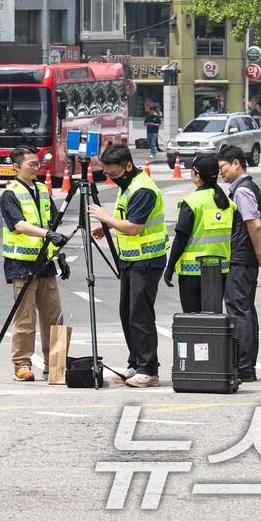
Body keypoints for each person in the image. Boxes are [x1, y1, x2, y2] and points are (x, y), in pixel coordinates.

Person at [90, 144, 168, 388]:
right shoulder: (128, 187)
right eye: (107, 174)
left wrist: (105, 217)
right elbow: (126, 218)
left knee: (140, 314)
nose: (110, 178)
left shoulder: (143, 189)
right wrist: (108, 227)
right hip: (132, 260)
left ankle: (149, 369)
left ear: (128, 166)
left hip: (147, 259)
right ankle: (135, 363)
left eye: (113, 174)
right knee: (127, 313)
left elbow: (134, 226)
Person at [0, 147, 68, 382]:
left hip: (46, 264)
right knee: (25, 318)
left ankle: (56, 366)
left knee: (54, 316)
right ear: (17, 167)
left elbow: (54, 224)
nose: (36, 167)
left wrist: (60, 256)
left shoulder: (43, 190)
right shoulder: (10, 194)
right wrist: (47, 234)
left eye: (38, 163)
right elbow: (18, 224)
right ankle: (22, 364)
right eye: (31, 164)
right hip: (22, 264)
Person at [217, 145, 261, 383]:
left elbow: (255, 225)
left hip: (240, 258)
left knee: (239, 311)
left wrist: (260, 253)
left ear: (236, 164)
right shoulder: (251, 187)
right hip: (246, 258)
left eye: (223, 167)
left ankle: (244, 366)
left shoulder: (242, 191)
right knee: (247, 311)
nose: (221, 173)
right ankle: (247, 365)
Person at [165, 153, 235, 314]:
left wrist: (170, 267)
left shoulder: (191, 202)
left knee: (193, 320)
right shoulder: (228, 204)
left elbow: (181, 238)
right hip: (220, 272)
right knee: (212, 320)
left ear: (197, 176)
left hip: (192, 273)